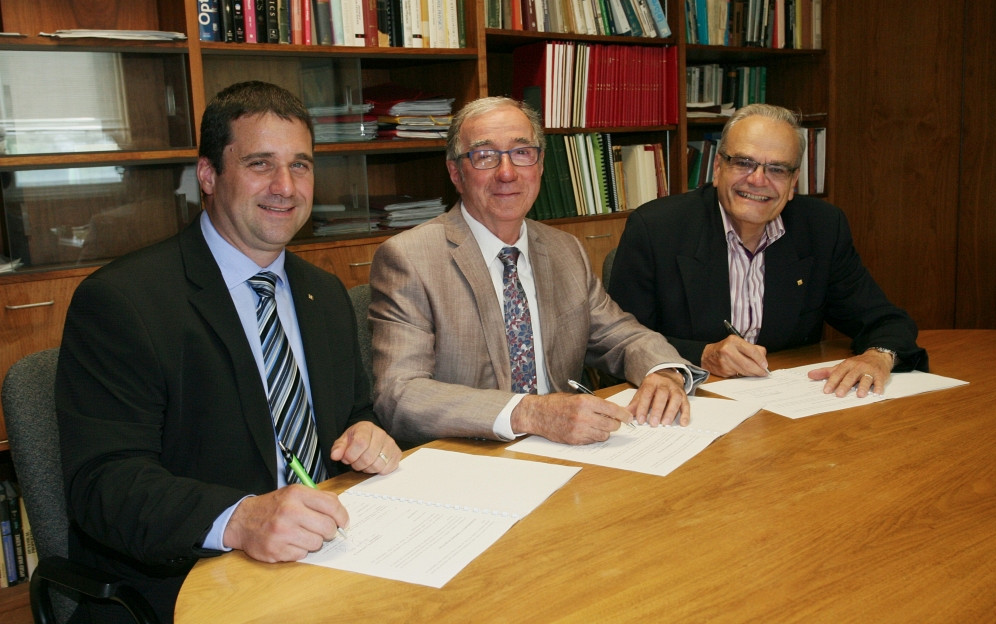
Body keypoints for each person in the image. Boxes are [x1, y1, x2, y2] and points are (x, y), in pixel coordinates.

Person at [56, 81, 401, 623]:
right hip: (191, 582)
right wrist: (240, 518)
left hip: (328, 558)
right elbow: (105, 485)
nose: (285, 186)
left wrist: (367, 434)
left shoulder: (325, 293)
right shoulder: (122, 302)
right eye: (261, 164)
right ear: (209, 176)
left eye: (301, 165)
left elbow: (352, 412)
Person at [368, 96, 706, 449]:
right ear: (456, 172)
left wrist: (662, 371)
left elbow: (622, 335)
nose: (507, 173)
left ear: (540, 164)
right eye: (485, 156)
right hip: (473, 455)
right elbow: (400, 395)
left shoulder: (564, 250)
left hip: (570, 450)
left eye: (521, 153)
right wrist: (530, 413)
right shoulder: (409, 258)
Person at [608, 103, 928, 398]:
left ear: (793, 183)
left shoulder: (820, 228)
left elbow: (886, 320)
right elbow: (617, 341)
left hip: (785, 404)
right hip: (693, 401)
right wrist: (702, 354)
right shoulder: (657, 229)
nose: (758, 180)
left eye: (777, 169)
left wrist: (878, 356)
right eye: (744, 163)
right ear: (718, 168)